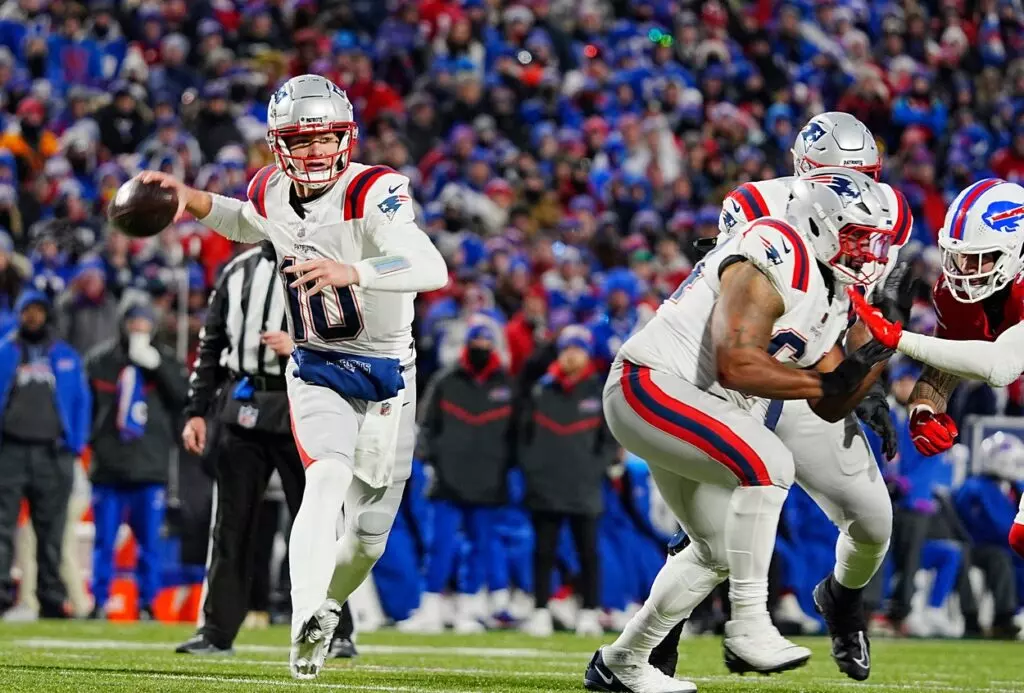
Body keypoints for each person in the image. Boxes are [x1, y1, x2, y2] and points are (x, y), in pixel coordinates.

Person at [138, 73, 448, 680]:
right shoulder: (271, 189)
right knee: (324, 476)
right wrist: (193, 199)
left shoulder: (376, 189)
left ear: (346, 137)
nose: (315, 151)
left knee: (367, 539)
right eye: (301, 140)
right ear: (278, 144)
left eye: (325, 137)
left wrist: (354, 271)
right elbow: (248, 221)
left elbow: (429, 265)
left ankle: (328, 605)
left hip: (389, 373)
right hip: (318, 364)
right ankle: (305, 621)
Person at [584, 168, 894, 693]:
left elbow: (831, 404)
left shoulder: (832, 292)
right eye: (857, 237)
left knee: (718, 552)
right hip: (650, 384)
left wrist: (879, 348)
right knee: (770, 462)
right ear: (819, 224)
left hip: (691, 406)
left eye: (874, 240)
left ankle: (622, 662)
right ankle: (750, 623)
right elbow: (736, 365)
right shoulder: (777, 246)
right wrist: (828, 382)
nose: (869, 252)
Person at [651, 112, 914, 683]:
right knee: (712, 525)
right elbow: (735, 323)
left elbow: (866, 309)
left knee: (874, 522)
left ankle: (842, 601)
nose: (854, 189)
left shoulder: (890, 213)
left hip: (820, 373)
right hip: (749, 380)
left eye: (864, 176)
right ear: (805, 173)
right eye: (837, 176)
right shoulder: (756, 206)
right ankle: (658, 639)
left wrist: (867, 380)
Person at [175, 240, 354, 657]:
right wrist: (196, 410)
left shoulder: (325, 266)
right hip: (245, 405)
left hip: (305, 405)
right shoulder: (238, 271)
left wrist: (302, 349)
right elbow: (210, 345)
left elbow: (353, 343)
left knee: (320, 522)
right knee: (231, 526)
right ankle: (216, 631)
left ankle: (336, 630)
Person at [847, 179, 1024, 560]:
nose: (964, 270)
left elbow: (1000, 366)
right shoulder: (955, 293)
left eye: (979, 258)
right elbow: (945, 366)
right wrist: (924, 409)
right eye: (958, 257)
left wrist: (899, 338)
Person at [403, 319, 515, 634]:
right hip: (447, 480)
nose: (481, 348)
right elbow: (426, 424)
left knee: (481, 547)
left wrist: (506, 470)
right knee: (439, 546)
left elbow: (517, 435)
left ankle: (469, 609)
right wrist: (429, 460)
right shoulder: (446, 380)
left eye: (486, 343)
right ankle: (429, 609)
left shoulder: (508, 385)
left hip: (489, 481)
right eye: (476, 343)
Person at [86, 300, 188, 620]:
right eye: (133, 321)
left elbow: (184, 398)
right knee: (104, 542)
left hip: (150, 467)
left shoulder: (165, 360)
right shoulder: (101, 361)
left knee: (150, 544)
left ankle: (148, 603)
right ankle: (99, 601)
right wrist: (95, 446)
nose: (139, 327)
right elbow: (88, 410)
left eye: (145, 321)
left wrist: (158, 366)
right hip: (109, 467)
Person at [517, 325, 615, 638]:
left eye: (578, 349)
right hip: (546, 485)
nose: (572, 355)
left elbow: (609, 440)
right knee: (543, 552)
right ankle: (540, 611)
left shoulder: (600, 391)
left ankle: (589, 612)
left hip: (584, 485)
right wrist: (534, 469)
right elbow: (523, 437)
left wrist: (594, 469)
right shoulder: (540, 390)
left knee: (589, 552)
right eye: (567, 349)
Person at [0, 290, 90, 618]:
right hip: (10, 450)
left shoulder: (66, 356)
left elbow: (82, 401)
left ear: (47, 315)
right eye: (28, 311)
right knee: (2, 527)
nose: (33, 317)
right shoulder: (5, 351)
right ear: (19, 314)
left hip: (54, 452)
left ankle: (51, 598)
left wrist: (75, 445)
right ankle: (1, 595)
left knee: (51, 531)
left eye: (38, 311)